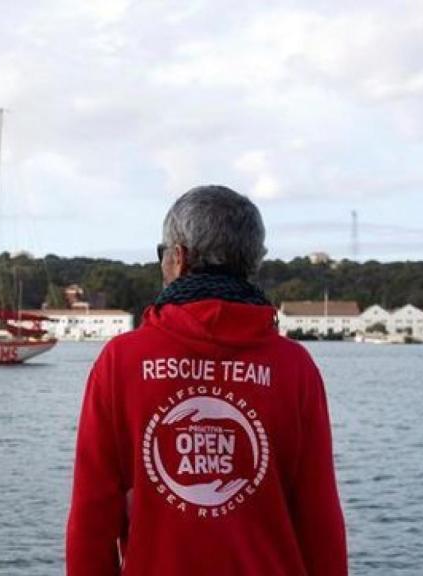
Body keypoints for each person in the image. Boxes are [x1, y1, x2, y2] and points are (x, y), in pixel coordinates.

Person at [66, 185, 347, 575]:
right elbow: (320, 522)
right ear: (253, 264)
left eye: (162, 254)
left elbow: (91, 519)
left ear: (179, 258)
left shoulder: (122, 362)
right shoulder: (294, 368)